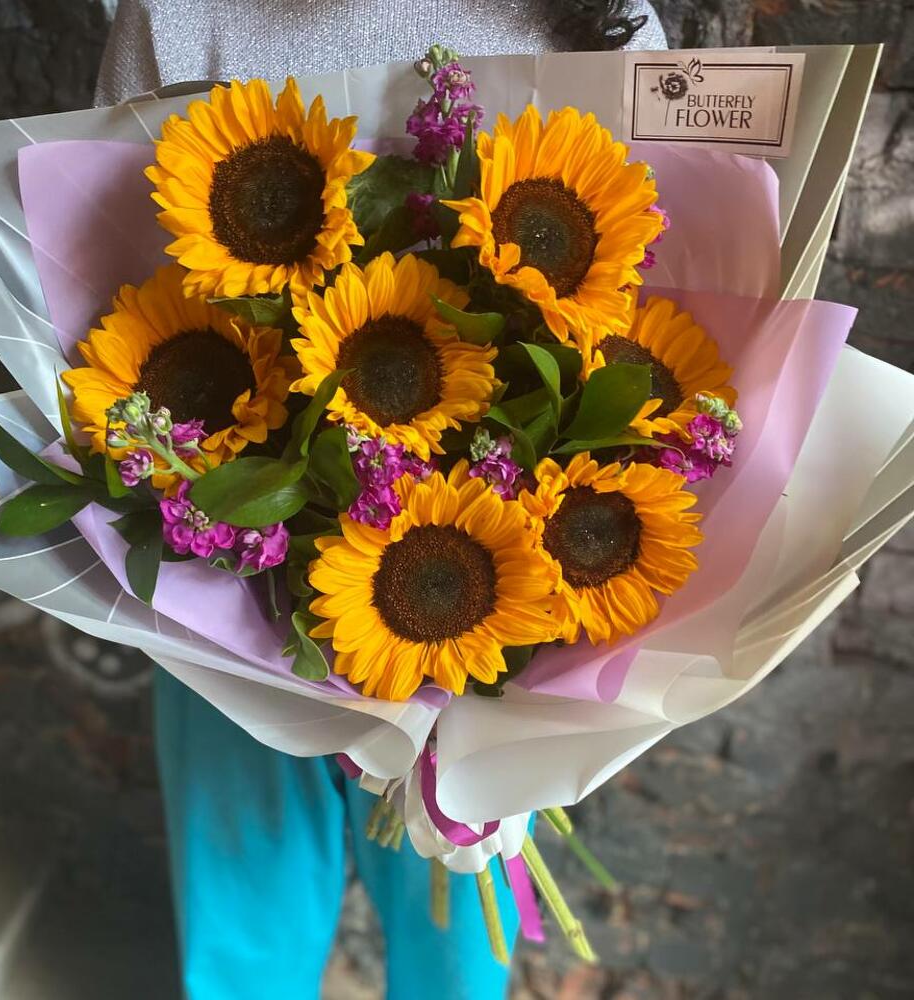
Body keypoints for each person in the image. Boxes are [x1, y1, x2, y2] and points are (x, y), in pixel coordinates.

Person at [94, 3, 667, 997]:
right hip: (221, 600)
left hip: (491, 621)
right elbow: (107, 266)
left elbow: (648, 280)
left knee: (453, 951)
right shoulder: (178, 12)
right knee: (243, 942)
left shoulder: (603, 19)